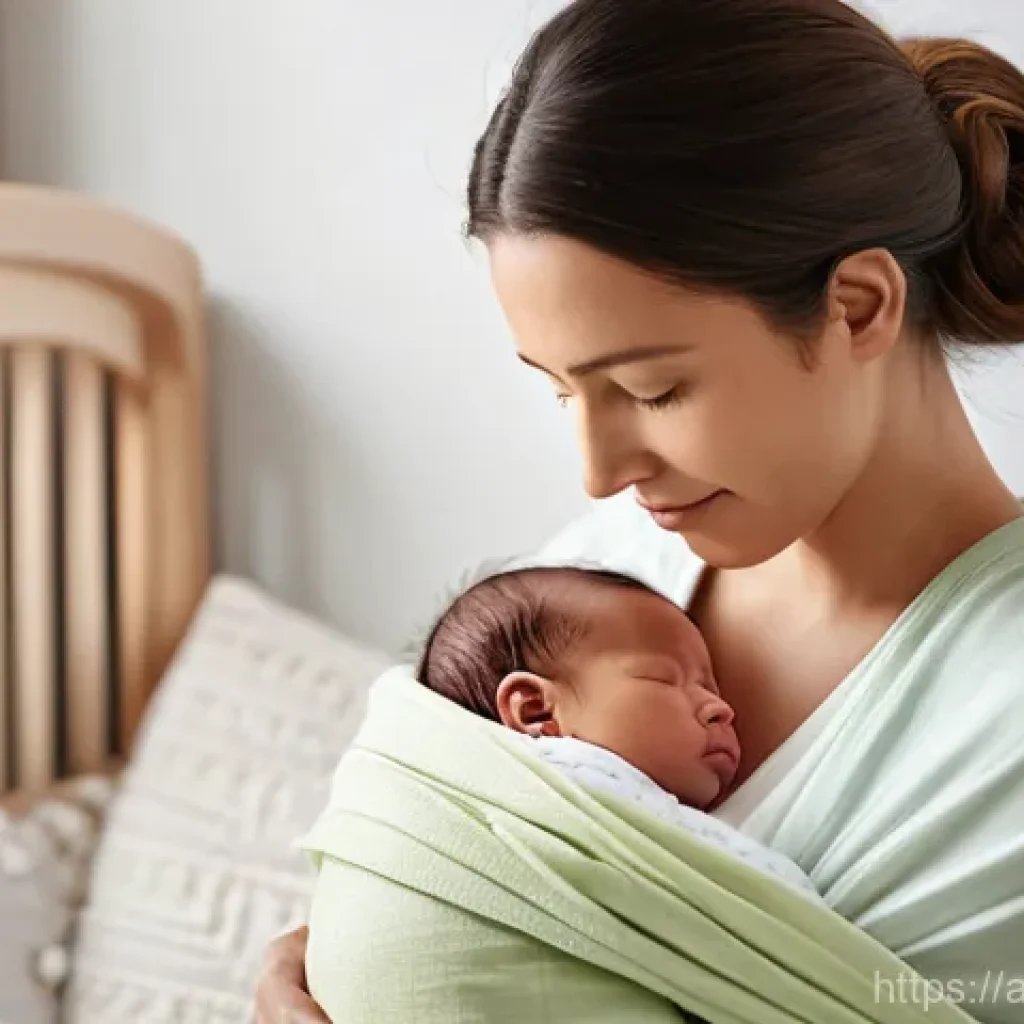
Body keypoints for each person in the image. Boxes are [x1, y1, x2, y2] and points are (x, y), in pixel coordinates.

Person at [257, 0, 1024, 1020]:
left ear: (857, 308)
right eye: (561, 391)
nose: (598, 470)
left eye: (652, 390)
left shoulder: (999, 716)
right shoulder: (603, 573)